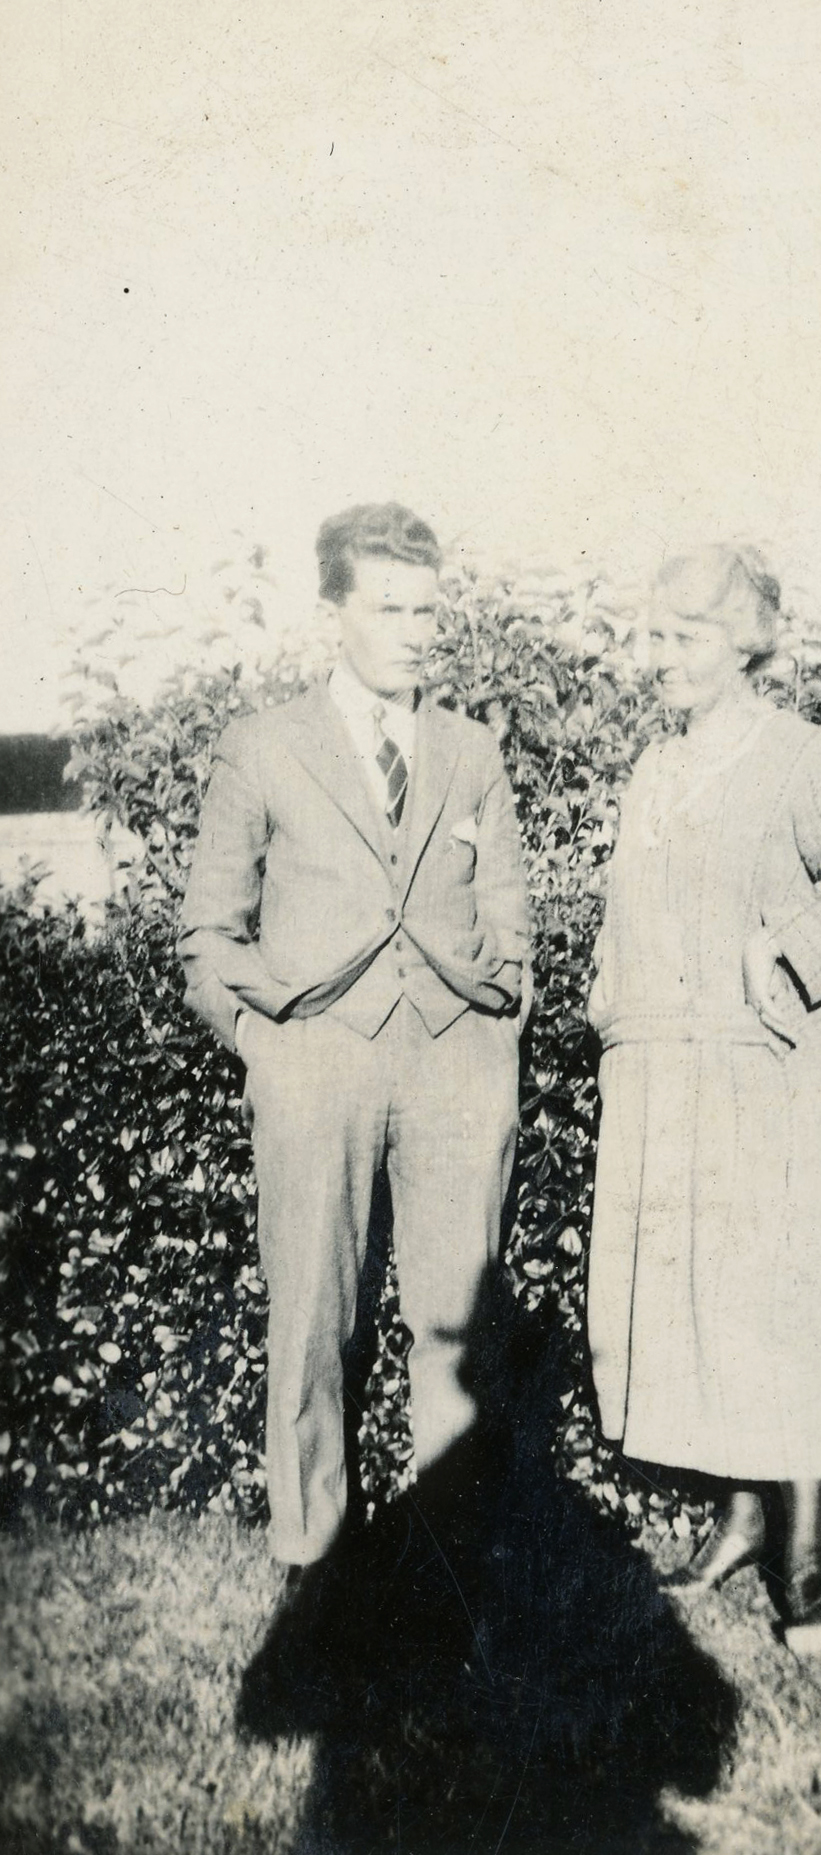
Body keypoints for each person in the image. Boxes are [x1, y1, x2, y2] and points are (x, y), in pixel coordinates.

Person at [178, 502, 530, 1599]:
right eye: (389, 609)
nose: (417, 631)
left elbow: (511, 914)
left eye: (429, 609)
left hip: (453, 1057)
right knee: (313, 1316)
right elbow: (206, 930)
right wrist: (261, 1044)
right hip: (312, 1058)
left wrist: (496, 1027)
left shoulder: (472, 749)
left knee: (456, 1322)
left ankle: (453, 1561)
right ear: (334, 612)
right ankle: (313, 1559)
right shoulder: (264, 745)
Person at [586, 544, 821, 1655]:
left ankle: (806, 1565)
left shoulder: (800, 757)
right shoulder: (651, 771)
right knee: (697, 1302)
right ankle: (737, 1520)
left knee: (775, 1298)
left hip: (769, 1075)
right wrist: (611, 1015)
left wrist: (786, 964)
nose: (657, 656)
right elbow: (626, 923)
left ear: (744, 642)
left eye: (683, 636)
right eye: (651, 634)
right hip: (666, 1076)